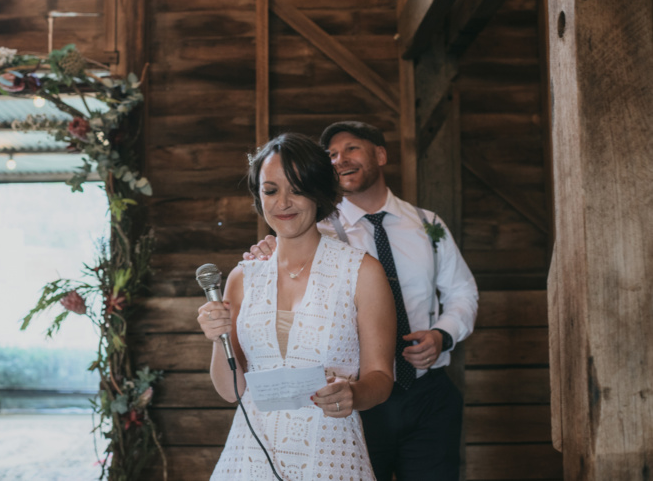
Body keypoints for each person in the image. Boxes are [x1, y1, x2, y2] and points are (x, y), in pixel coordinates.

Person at [244, 121, 479, 481]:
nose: (340, 160)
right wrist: (270, 250)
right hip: (356, 399)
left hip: (427, 391)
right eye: (332, 155)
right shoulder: (314, 231)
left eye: (351, 149)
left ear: (380, 154)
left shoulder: (426, 224)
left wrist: (441, 335)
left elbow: (462, 292)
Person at [198, 132, 397, 480]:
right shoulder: (242, 278)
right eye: (271, 190)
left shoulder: (362, 271)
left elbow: (381, 378)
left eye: (298, 188)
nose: (283, 203)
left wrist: (353, 394)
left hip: (331, 455)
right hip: (249, 460)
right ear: (259, 197)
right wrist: (218, 339)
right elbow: (231, 392)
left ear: (319, 191)